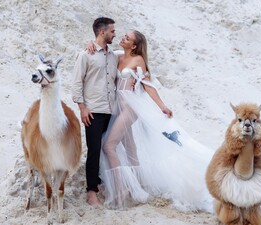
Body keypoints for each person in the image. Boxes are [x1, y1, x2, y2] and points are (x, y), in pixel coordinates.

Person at [88, 31, 214, 212]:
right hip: (117, 107)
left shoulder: (138, 60)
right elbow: (101, 50)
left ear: (134, 46)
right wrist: (89, 43)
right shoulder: (115, 55)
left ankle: (121, 189)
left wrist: (162, 106)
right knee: (129, 147)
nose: (122, 38)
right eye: (123, 36)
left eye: (127, 38)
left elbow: (147, 85)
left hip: (130, 107)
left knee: (108, 146)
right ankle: (136, 186)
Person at [71, 17, 118, 207]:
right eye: (112, 31)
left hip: (112, 110)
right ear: (102, 32)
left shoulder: (114, 55)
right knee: (94, 151)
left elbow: (133, 55)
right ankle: (91, 193)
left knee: (110, 149)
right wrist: (82, 108)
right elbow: (76, 83)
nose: (115, 34)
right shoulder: (85, 55)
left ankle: (105, 185)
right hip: (94, 111)